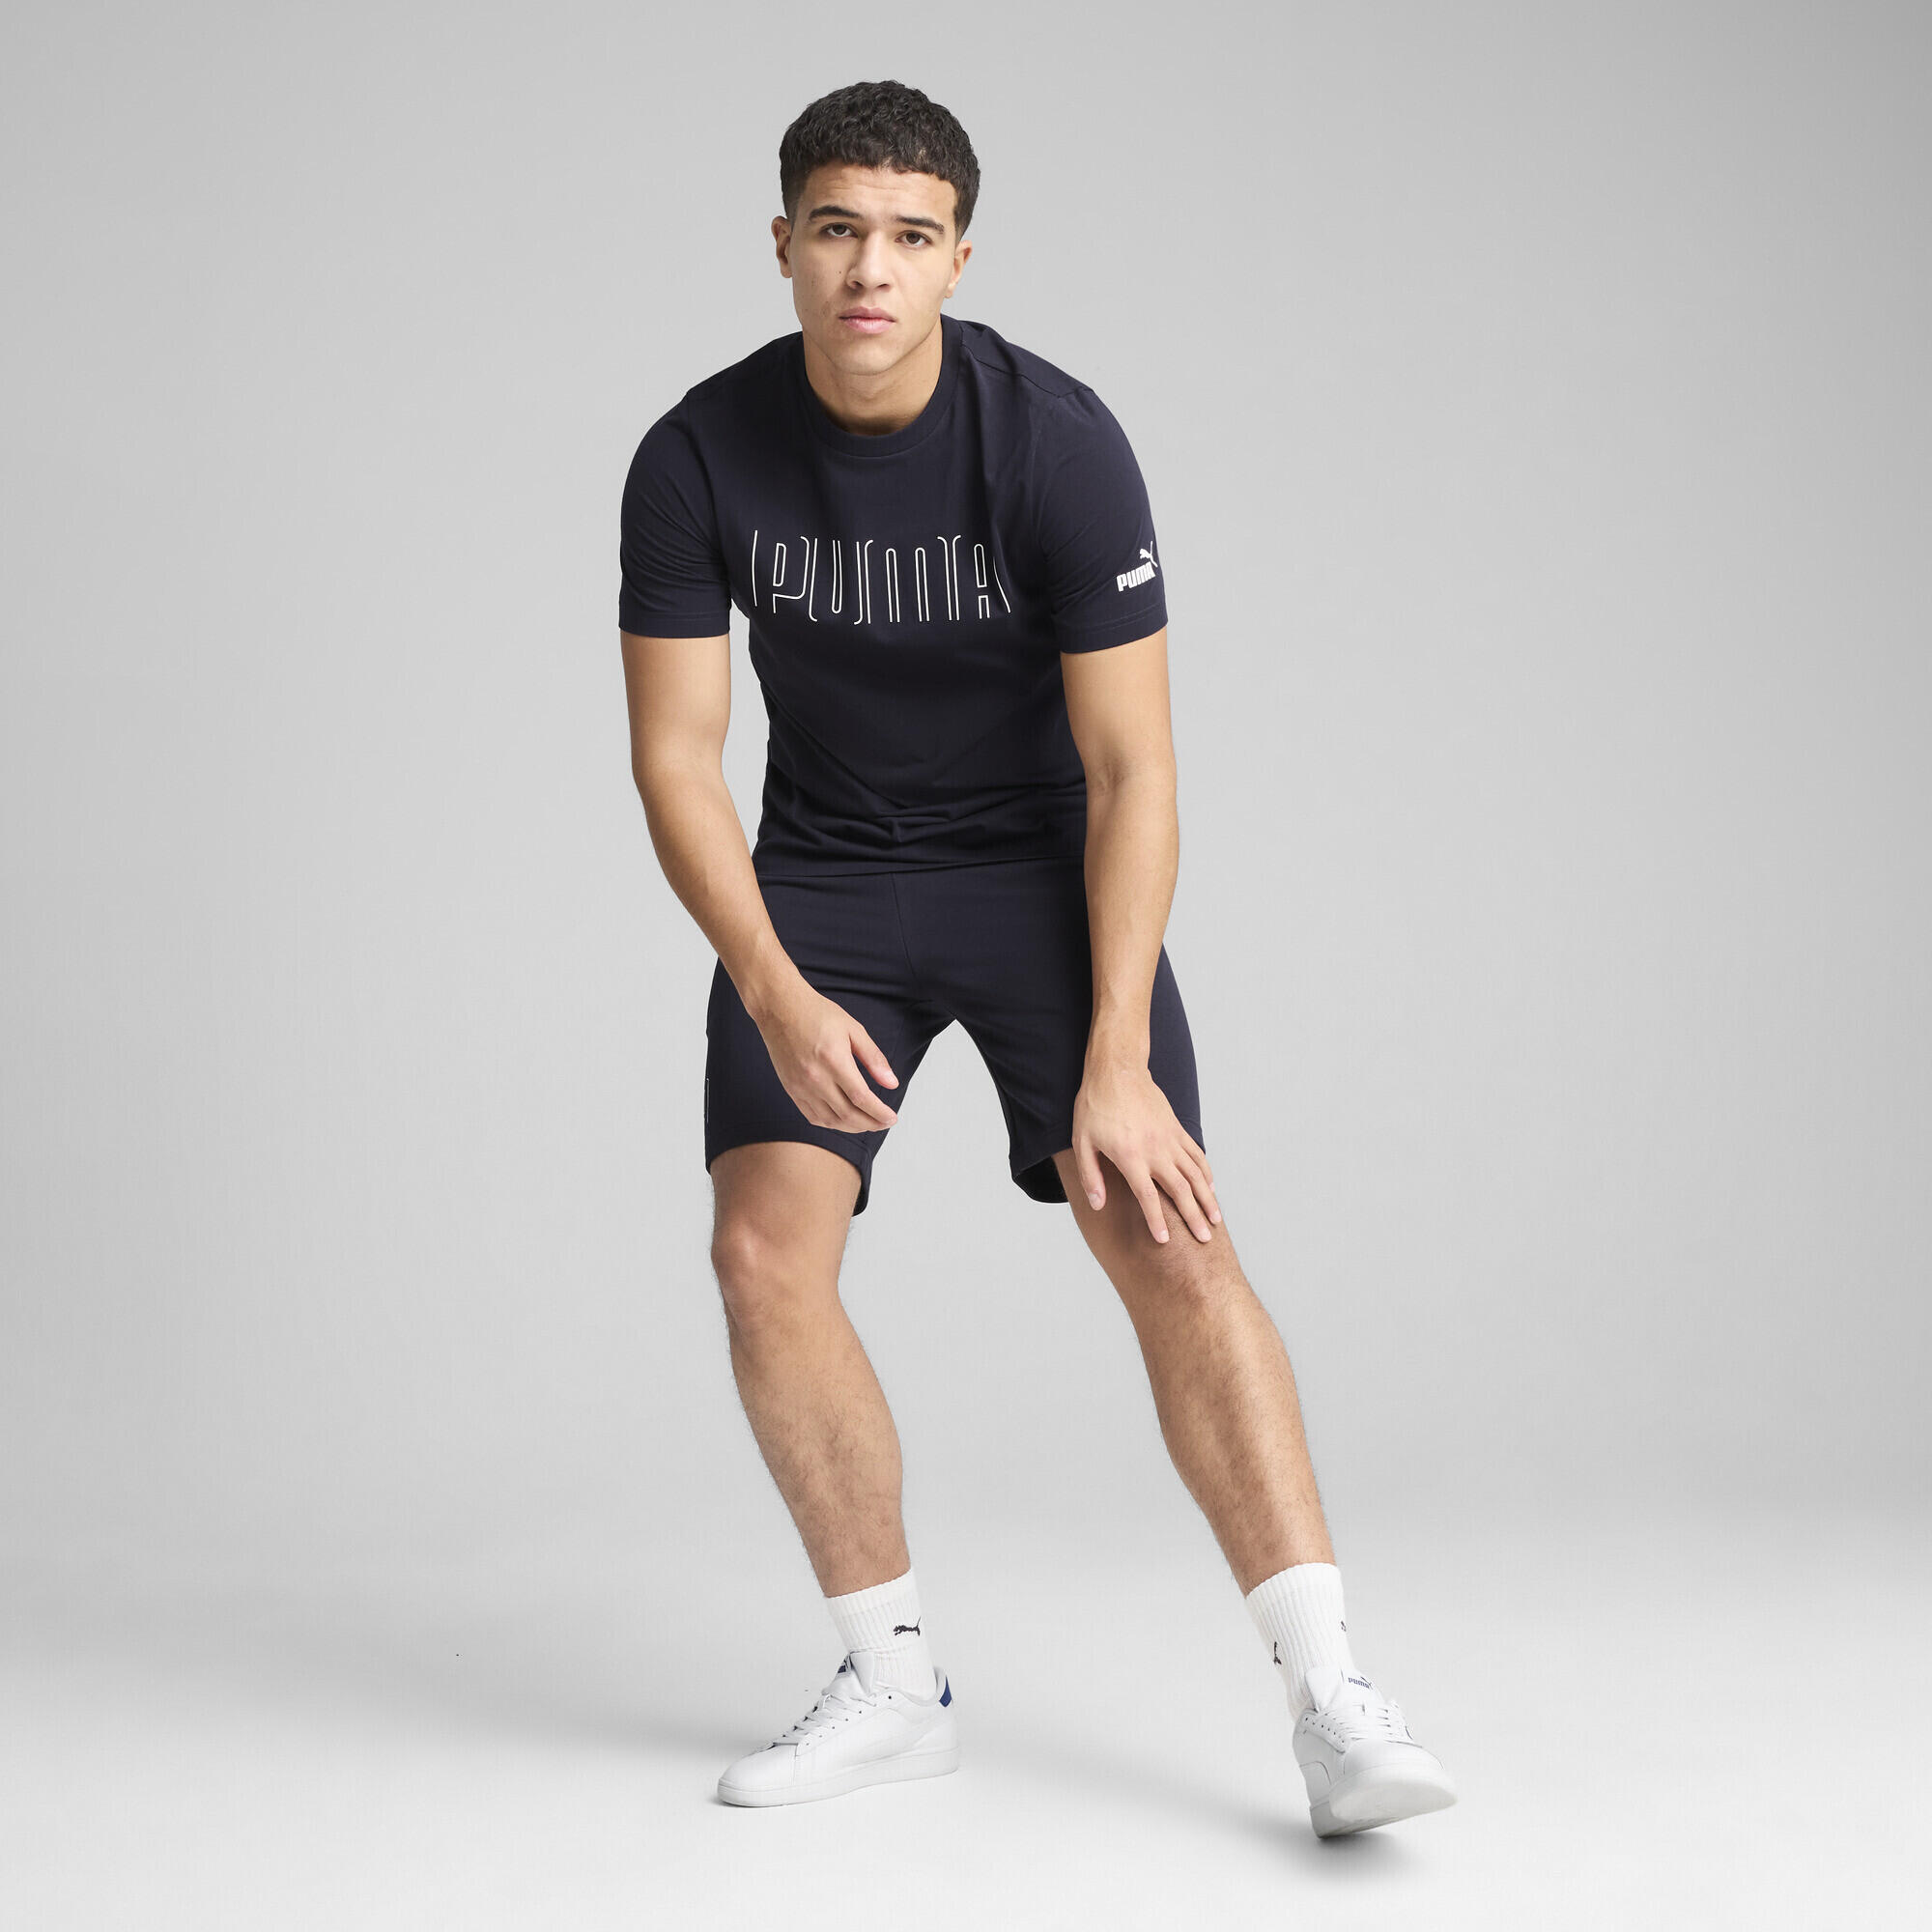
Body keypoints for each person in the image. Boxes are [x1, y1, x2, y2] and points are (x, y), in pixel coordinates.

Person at [616, 78, 1457, 1838]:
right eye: (837, 230)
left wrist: (1118, 1053)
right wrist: (773, 984)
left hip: (1042, 879)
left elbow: (1138, 769)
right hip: (824, 884)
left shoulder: (1056, 442)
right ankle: (892, 1684)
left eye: (909, 237)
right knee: (762, 1255)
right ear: (783, 247)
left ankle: (1333, 1702)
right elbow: (678, 757)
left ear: (958, 259)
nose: (871, 270)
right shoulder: (695, 455)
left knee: (1171, 1236)